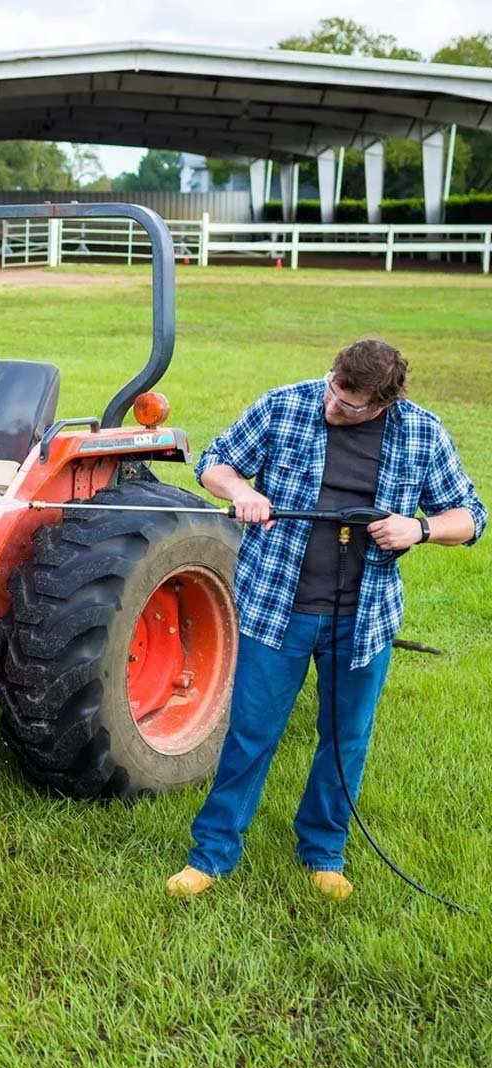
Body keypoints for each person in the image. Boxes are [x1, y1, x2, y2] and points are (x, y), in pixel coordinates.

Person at [167, 339, 486, 901]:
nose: (333, 404)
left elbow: (471, 515)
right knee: (250, 734)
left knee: (345, 739)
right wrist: (242, 491)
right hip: (275, 608)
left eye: (350, 403)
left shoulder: (421, 432)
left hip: (363, 619)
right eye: (334, 387)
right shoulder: (286, 405)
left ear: (384, 403)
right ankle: (213, 854)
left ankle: (322, 851)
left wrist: (420, 529)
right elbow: (214, 461)